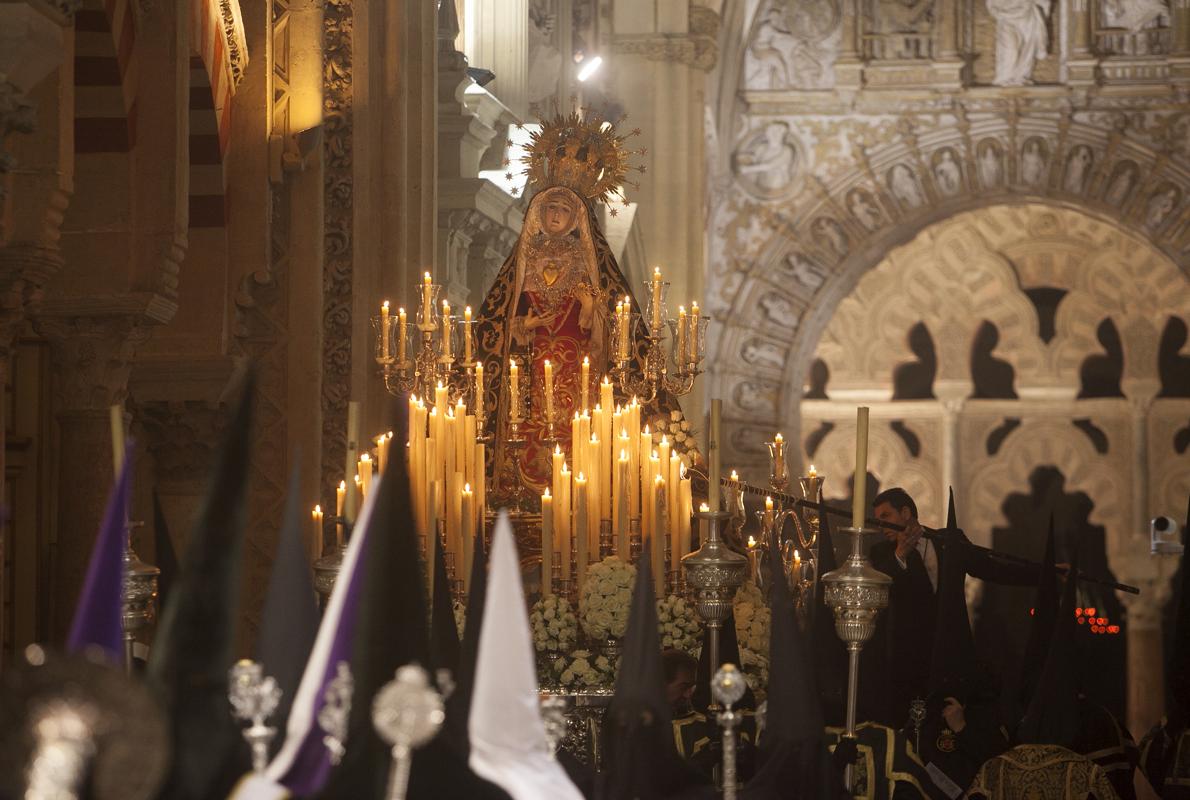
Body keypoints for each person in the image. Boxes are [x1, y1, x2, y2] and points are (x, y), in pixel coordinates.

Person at [866, 487, 1036, 727]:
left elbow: (993, 569)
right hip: (910, 660)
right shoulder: (882, 552)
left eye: (886, 516)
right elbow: (879, 588)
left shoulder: (949, 540)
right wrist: (900, 554)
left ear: (905, 513)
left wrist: (1047, 574)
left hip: (953, 652)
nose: (880, 524)